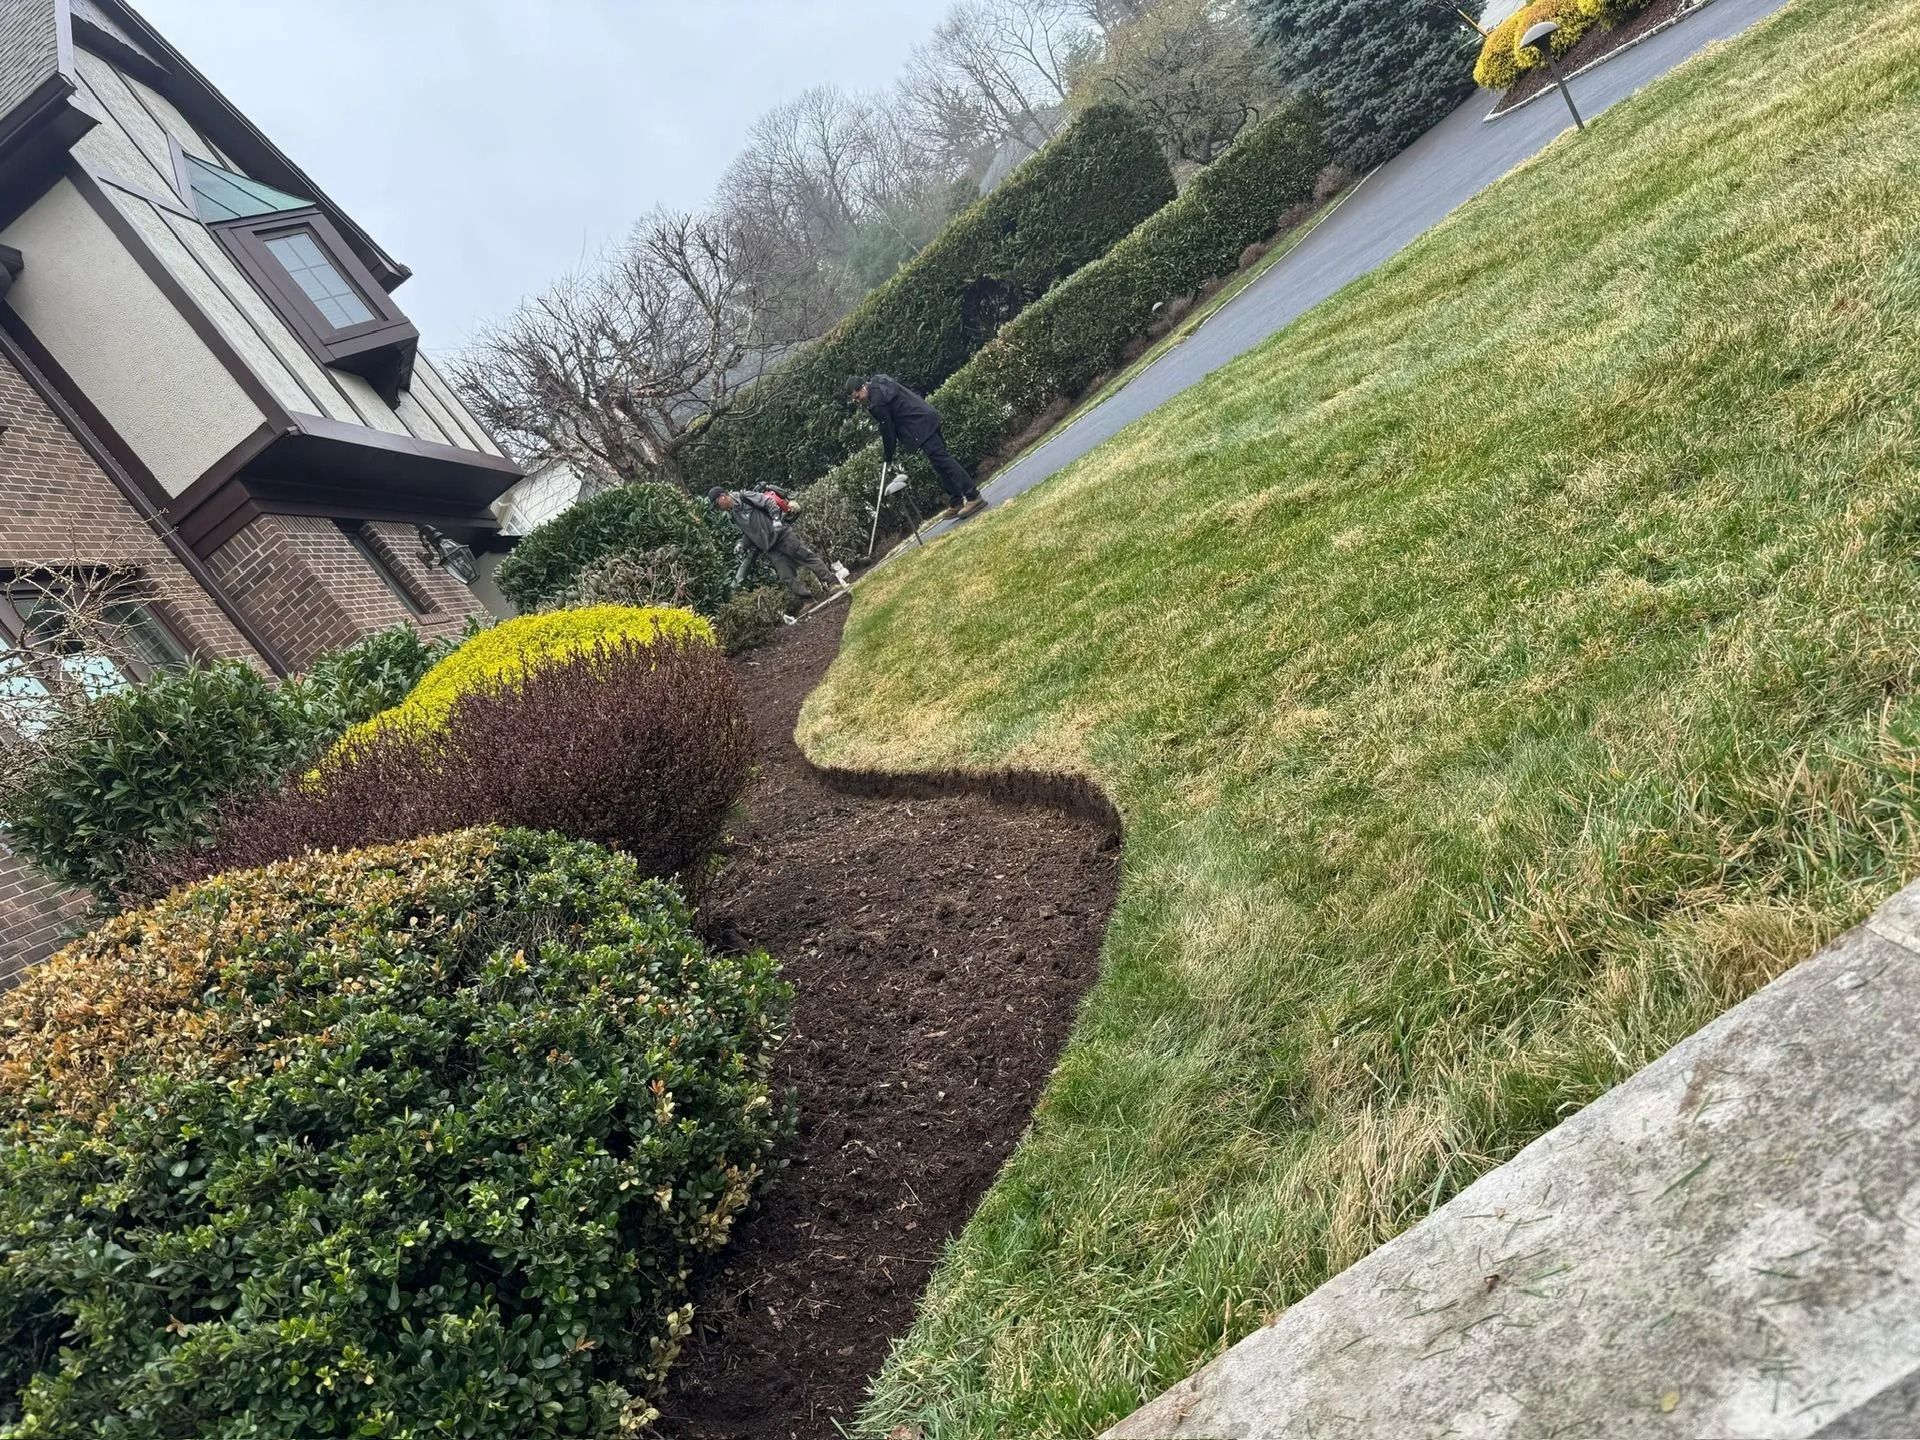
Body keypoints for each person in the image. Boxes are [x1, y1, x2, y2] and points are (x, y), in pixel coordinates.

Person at [848, 374, 987, 520]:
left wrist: (887, 455)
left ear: (863, 387)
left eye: (857, 397)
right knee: (939, 465)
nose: (858, 401)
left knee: (944, 462)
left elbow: (888, 430)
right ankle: (956, 501)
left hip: (920, 427)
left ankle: (973, 496)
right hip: (926, 417)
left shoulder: (877, 402)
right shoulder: (881, 382)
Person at [708, 486, 842, 612]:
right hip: (770, 547)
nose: (718, 508)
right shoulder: (734, 515)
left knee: (806, 557)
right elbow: (749, 533)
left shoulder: (746, 497)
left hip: (782, 534)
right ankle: (807, 599)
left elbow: (769, 503)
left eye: (717, 504)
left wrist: (776, 519)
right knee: (786, 576)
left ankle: (832, 582)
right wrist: (741, 544)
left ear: (722, 497)